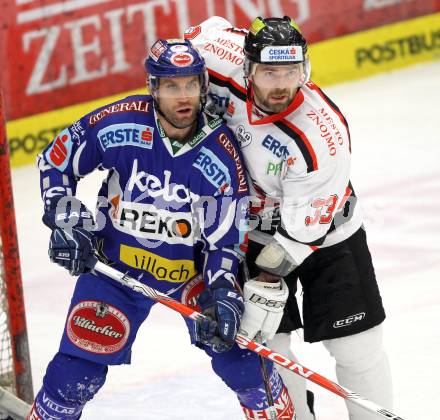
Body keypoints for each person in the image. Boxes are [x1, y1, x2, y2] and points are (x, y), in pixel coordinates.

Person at [28, 38, 295, 419]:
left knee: (245, 366)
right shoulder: (119, 123)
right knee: (72, 377)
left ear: (204, 86)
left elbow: (225, 241)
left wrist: (221, 290)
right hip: (114, 267)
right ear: (153, 87)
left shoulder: (221, 154)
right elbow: (56, 161)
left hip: (189, 275)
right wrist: (68, 218)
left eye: (190, 84)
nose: (183, 96)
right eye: (171, 85)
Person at [184, 16, 393, 420]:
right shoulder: (216, 58)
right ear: (247, 68)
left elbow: (302, 232)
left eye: (290, 72)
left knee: (357, 348)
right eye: (268, 72)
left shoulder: (322, 138)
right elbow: (185, 46)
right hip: (250, 231)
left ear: (305, 69)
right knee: (269, 350)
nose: (280, 84)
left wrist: (266, 282)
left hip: (328, 234)